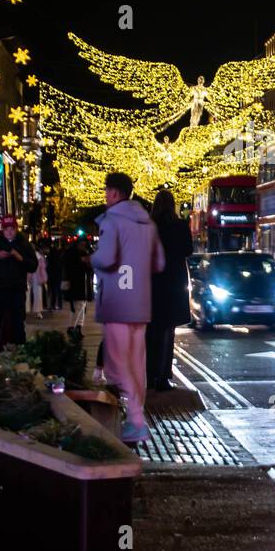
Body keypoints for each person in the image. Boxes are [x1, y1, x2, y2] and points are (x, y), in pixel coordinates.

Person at [89, 173, 164, 443]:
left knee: (118, 364)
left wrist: (92, 258)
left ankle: (135, 420)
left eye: (107, 190)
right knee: (136, 363)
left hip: (118, 302)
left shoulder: (112, 221)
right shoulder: (148, 222)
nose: (105, 195)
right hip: (141, 303)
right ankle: (136, 415)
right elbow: (159, 264)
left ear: (114, 193)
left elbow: (107, 258)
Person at [147, 190, 192, 391]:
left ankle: (149, 374)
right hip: (174, 283)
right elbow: (188, 250)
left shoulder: (149, 226)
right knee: (168, 331)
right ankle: (163, 376)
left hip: (153, 283)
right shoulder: (180, 226)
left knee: (151, 331)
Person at [0, 215, 37, 350]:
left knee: (18, 322)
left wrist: (20, 258)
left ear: (16, 229)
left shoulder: (24, 244)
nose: (9, 231)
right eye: (6, 229)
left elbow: (33, 266)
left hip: (17, 290)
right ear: (2, 230)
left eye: (12, 228)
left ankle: (20, 351)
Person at [27, 240, 48, 320]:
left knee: (38, 294)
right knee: (27, 293)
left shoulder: (39, 256)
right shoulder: (29, 255)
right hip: (29, 275)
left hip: (36, 276)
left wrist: (43, 278)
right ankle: (27, 310)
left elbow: (43, 268)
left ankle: (38, 312)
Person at [46, 239, 66, 310]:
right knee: (57, 290)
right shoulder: (61, 252)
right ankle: (58, 305)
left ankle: (53, 304)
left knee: (54, 290)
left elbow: (49, 263)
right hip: (57, 273)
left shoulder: (53, 252)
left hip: (54, 273)